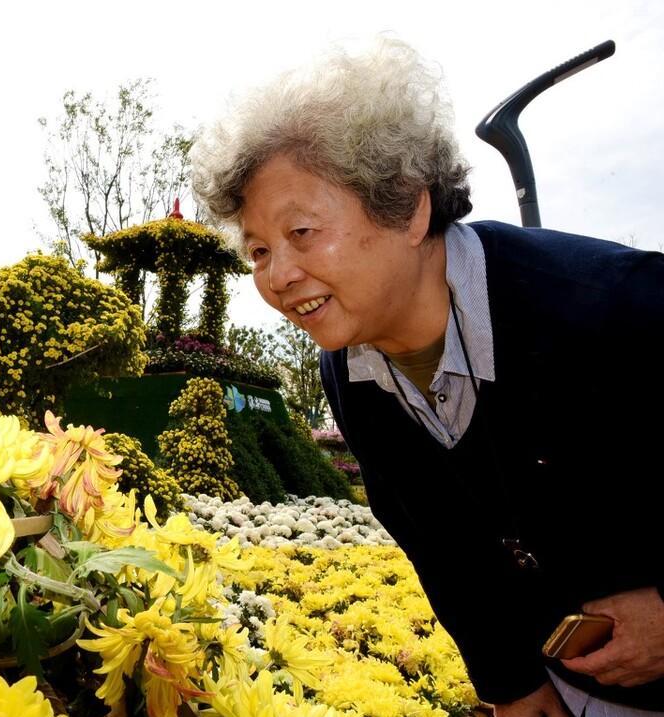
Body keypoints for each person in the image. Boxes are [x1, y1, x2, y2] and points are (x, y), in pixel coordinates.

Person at [190, 38, 664, 717]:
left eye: (300, 232)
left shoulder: (610, 305)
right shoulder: (347, 368)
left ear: (408, 208)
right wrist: (515, 687)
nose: (277, 276)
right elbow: (441, 548)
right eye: (259, 250)